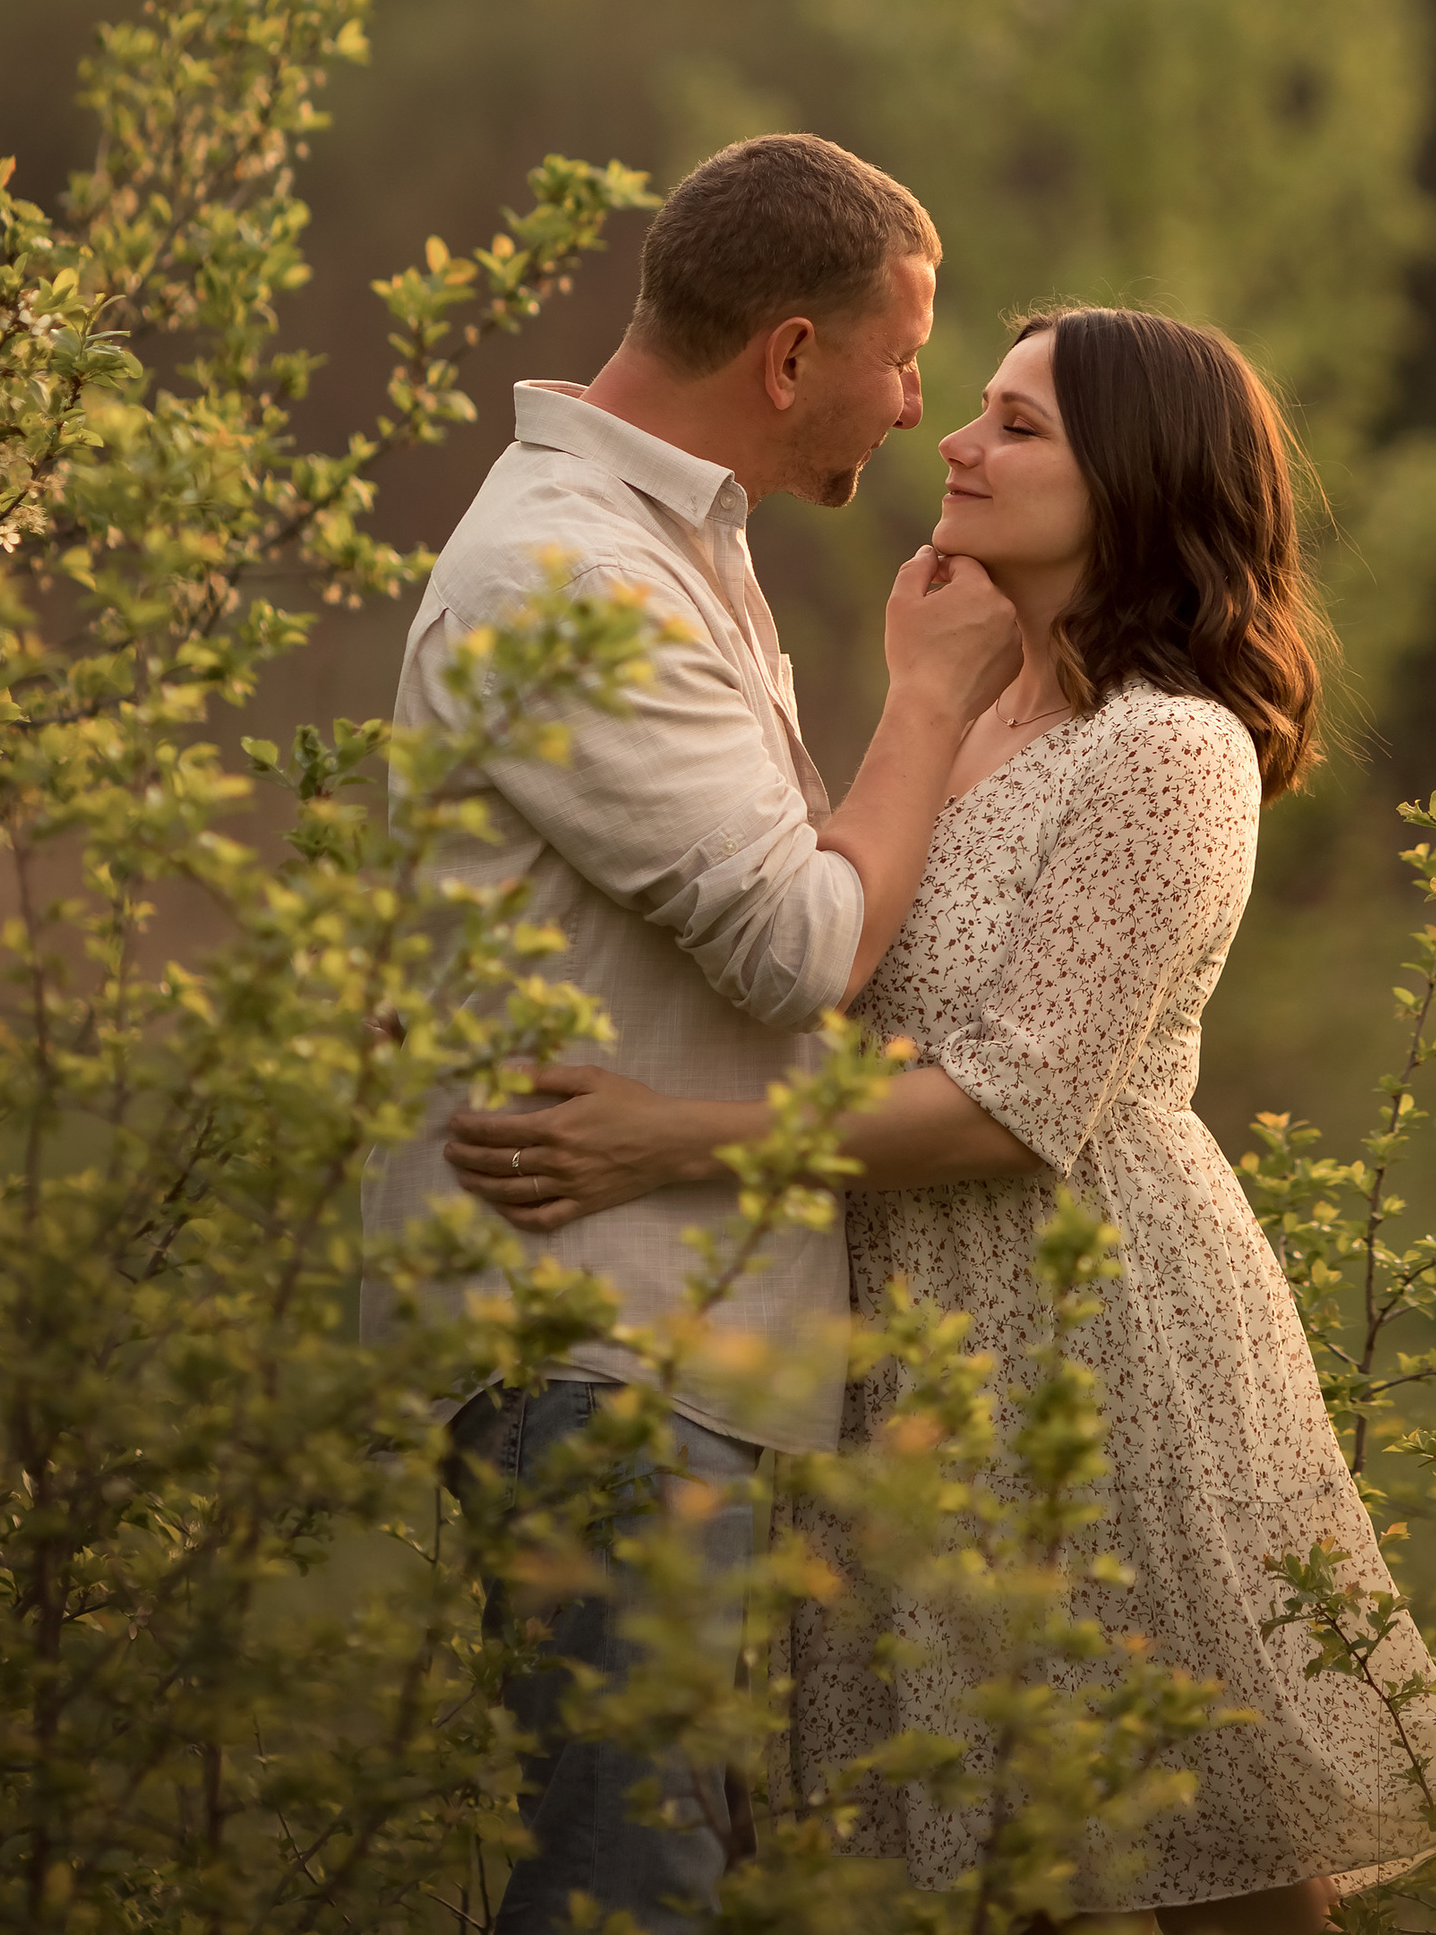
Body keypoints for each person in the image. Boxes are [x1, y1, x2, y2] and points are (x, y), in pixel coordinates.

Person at [449, 304, 1436, 1933]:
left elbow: (1013, 1105)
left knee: (1215, 1854)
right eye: (975, 410)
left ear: (1136, 482)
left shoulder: (1173, 750)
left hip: (1095, 1336)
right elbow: (826, 976)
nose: (956, 444)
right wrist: (918, 688)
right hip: (914, 1348)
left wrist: (665, 1138)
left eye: (1018, 425)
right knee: (1001, 1867)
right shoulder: (972, 715)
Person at [362, 132, 1023, 1935]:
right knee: (624, 1888)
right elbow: (802, 937)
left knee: (685, 1872)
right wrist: (936, 693)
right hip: (600, 1340)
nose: (918, 403)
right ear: (790, 355)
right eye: (903, 356)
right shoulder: (572, 574)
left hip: (663, 1339)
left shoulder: (667, 541)